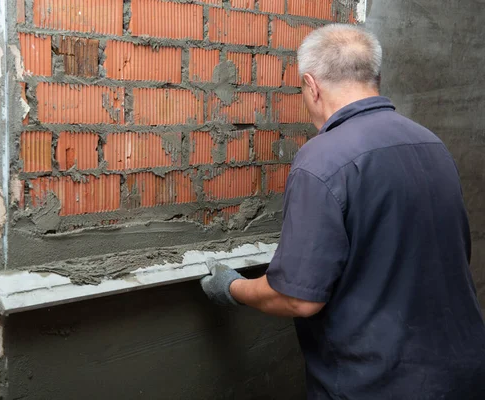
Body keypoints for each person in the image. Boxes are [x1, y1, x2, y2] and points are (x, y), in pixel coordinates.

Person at [201, 24, 485, 399]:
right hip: (464, 373)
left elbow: (299, 299)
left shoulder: (323, 159)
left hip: (379, 383)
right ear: (375, 77)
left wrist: (231, 287)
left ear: (311, 85)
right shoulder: (431, 144)